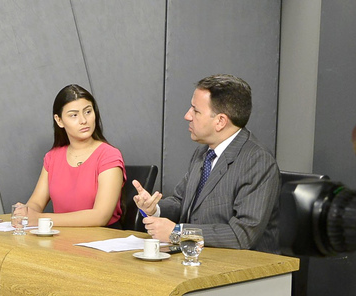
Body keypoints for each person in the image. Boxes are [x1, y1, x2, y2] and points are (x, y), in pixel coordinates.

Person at [133, 74, 280, 253]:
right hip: (196, 258)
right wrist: (154, 208)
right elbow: (181, 202)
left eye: (195, 111)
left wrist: (178, 233)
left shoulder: (257, 161)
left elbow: (242, 235)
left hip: (243, 266)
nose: (187, 116)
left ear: (220, 121)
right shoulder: (203, 152)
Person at [22, 84, 125, 227]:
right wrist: (25, 213)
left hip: (103, 237)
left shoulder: (109, 155)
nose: (83, 120)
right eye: (74, 115)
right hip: (62, 236)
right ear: (59, 120)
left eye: (88, 112)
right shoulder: (52, 157)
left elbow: (100, 216)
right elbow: (36, 202)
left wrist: (41, 219)